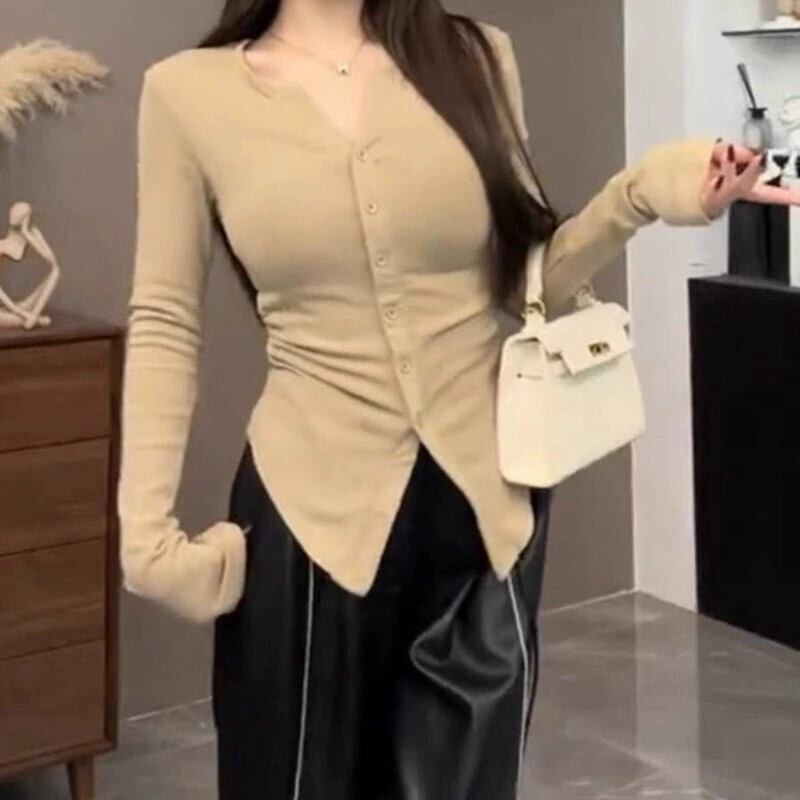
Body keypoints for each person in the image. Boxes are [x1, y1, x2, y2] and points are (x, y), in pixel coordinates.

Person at [116, 1, 800, 798]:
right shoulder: (188, 94)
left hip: (480, 523)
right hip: (304, 532)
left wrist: (641, 193)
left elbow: (528, 278)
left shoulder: (475, 58)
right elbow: (165, 318)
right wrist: (146, 538)